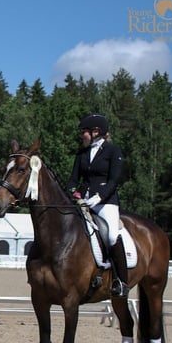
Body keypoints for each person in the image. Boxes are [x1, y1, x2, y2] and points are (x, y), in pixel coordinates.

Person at [67, 113, 129, 297]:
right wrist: (74, 193)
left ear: (96, 132)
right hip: (84, 202)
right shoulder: (82, 153)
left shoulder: (113, 151)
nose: (82, 136)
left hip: (106, 203)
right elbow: (72, 181)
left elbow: (114, 180)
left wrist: (99, 197)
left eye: (84, 132)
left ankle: (120, 281)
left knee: (110, 236)